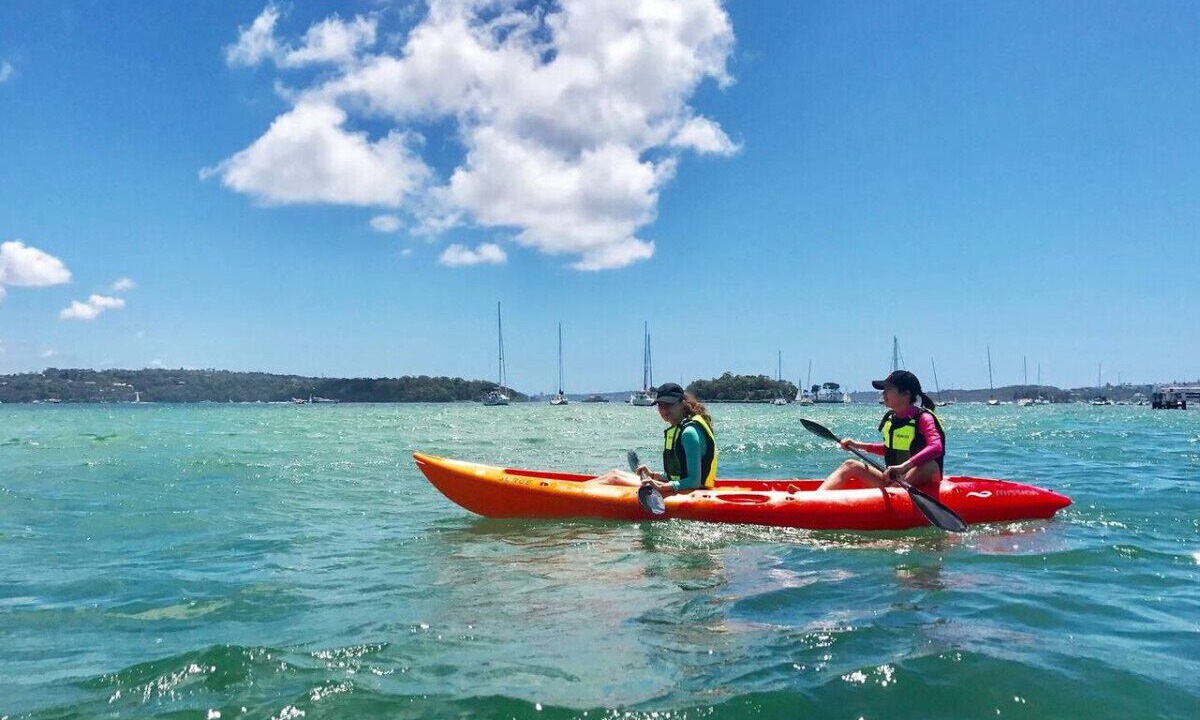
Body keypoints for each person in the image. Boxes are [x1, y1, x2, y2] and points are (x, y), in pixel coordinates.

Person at [818, 370, 946, 492]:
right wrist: (857, 445)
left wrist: (903, 467)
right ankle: (812, 500)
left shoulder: (924, 418)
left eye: (888, 390)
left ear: (906, 394)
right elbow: (891, 450)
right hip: (896, 479)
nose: (883, 394)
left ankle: (893, 493)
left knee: (927, 465)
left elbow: (936, 448)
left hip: (923, 478)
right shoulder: (892, 419)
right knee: (850, 465)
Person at [591, 382, 718, 493]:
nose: (664, 410)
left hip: (692, 492)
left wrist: (663, 487)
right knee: (615, 474)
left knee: (614, 478)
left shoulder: (689, 433)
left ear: (682, 403)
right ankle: (575, 488)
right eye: (661, 405)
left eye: (669, 404)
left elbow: (694, 480)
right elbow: (679, 475)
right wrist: (653, 475)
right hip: (684, 488)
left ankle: (573, 494)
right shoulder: (682, 428)